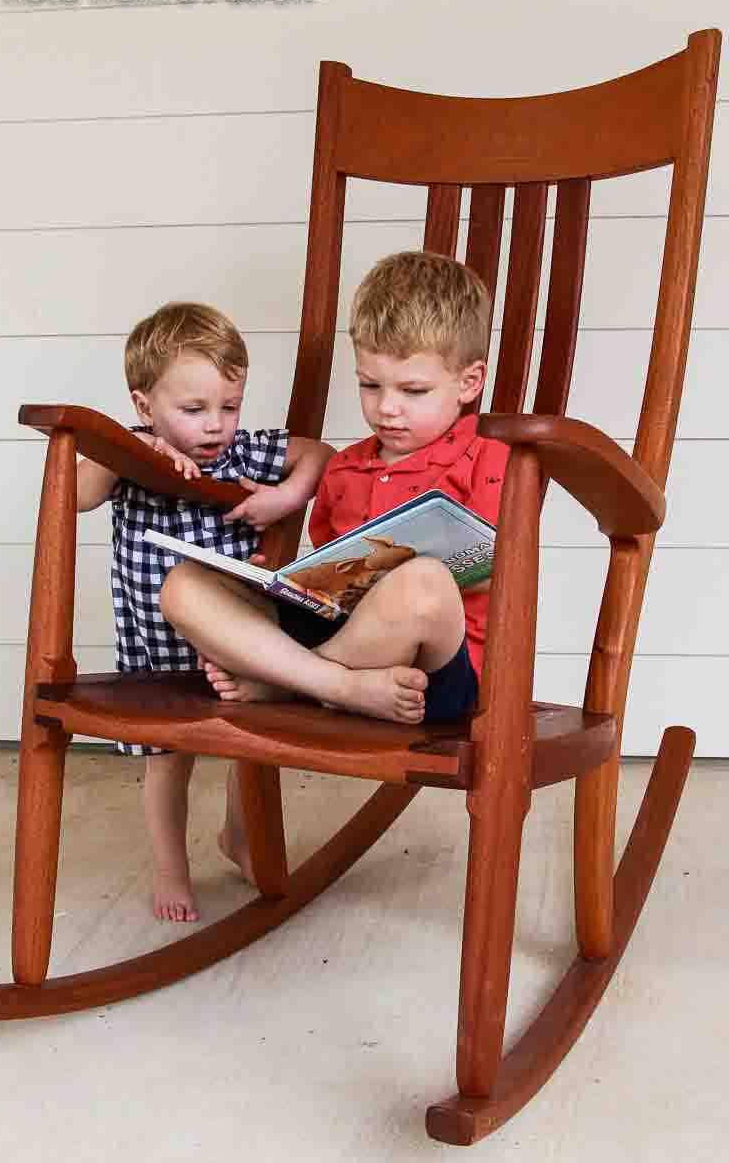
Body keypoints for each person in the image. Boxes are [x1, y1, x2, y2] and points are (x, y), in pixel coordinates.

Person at [159, 251, 510, 732]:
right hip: (345, 649)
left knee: (423, 581)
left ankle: (285, 683)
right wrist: (288, 583)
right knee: (184, 584)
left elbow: (504, 572)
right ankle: (330, 684)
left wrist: (405, 573)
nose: (387, 408)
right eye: (370, 385)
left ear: (469, 382)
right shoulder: (344, 469)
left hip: (432, 672)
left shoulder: (491, 456)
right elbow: (332, 592)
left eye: (413, 392)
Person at [75, 301, 335, 922]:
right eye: (194, 411)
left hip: (236, 645)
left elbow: (322, 456)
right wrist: (137, 452)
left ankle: (238, 838)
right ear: (145, 406)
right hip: (158, 653)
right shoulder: (132, 458)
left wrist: (286, 497)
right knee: (170, 761)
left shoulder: (244, 454)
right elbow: (75, 494)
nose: (215, 425)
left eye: (229, 406)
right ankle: (170, 868)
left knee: (250, 747)